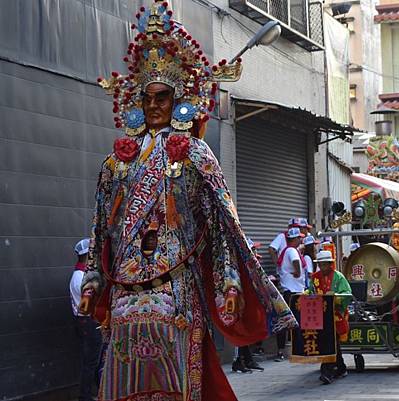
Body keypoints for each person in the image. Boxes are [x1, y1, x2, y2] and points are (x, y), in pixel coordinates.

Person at [79, 4, 296, 400]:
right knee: (122, 373)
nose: (154, 105)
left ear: (179, 98)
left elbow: (222, 226)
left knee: (179, 377)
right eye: (147, 98)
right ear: (136, 102)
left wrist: (228, 280)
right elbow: (99, 229)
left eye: (163, 96)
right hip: (126, 289)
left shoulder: (195, 154)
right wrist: (93, 277)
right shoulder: (117, 164)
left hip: (178, 284)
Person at [308, 250, 352, 385]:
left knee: (330, 342)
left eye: (324, 265)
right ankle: (341, 367)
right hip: (319, 316)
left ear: (330, 264)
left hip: (335, 315)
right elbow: (311, 292)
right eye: (320, 265)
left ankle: (326, 371)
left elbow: (347, 293)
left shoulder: (338, 277)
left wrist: (336, 297)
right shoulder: (314, 277)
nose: (322, 267)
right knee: (329, 342)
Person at [70, 238, 102, 401]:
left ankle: (98, 392)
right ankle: (85, 397)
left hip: (83, 322)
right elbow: (87, 307)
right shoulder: (84, 277)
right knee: (91, 363)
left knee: (93, 361)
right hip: (89, 322)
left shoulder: (78, 274)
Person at [231, 239, 264, 373]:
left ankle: (247, 359)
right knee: (240, 330)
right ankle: (238, 361)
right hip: (238, 302)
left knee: (246, 330)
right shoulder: (238, 265)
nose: (255, 251)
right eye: (253, 249)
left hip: (246, 302)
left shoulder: (249, 264)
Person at [275, 227, 306, 361]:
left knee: (286, 321)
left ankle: (282, 350)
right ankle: (298, 349)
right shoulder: (292, 250)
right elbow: (296, 261)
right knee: (296, 321)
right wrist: (298, 272)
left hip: (289, 291)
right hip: (294, 292)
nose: (300, 239)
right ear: (294, 239)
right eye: (299, 237)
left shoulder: (286, 251)